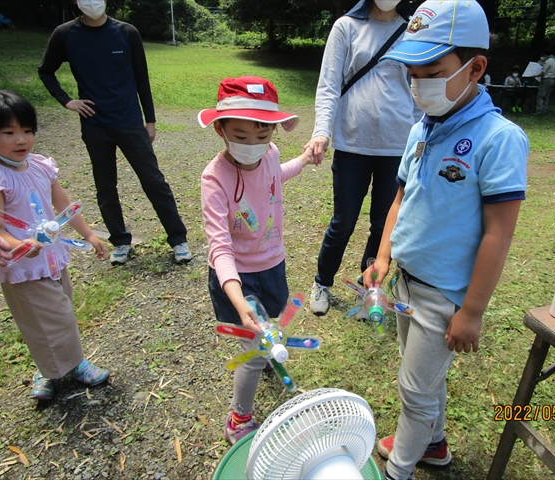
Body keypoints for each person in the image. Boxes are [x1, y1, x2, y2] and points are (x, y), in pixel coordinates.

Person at [362, 2, 529, 479]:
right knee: (421, 377)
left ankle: (400, 469)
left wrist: (471, 311)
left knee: (415, 391)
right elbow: (400, 198)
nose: (419, 85)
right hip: (406, 283)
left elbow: (499, 232)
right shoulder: (421, 128)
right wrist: (382, 255)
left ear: (475, 68)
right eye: (412, 73)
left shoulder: (499, 138)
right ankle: (433, 443)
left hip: (444, 295)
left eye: (432, 72)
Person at [198, 76, 315, 444]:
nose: (253, 146)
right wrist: (237, 298)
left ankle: (263, 353)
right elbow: (220, 248)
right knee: (251, 353)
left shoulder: (271, 154)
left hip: (272, 264)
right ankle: (239, 418)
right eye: (242, 137)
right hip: (238, 278)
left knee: (274, 318)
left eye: (262, 136)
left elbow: (274, 177)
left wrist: (305, 159)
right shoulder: (214, 179)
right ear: (220, 129)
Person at [37, 0, 192, 265]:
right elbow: (46, 71)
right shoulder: (65, 34)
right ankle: (120, 241)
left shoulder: (126, 32)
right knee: (105, 186)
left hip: (130, 121)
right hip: (95, 125)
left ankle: (178, 239)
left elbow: (142, 78)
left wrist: (150, 121)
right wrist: (67, 101)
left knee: (154, 181)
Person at [0, 90, 111, 401]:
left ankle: (57, 366)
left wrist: (88, 234)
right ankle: (64, 367)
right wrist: (20, 245)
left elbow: (63, 205)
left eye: (28, 131)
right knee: (48, 320)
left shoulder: (41, 166)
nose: (21, 140)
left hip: (53, 258)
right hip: (25, 266)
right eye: (9, 132)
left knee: (60, 314)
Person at [305, 0, 421, 315]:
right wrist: (321, 132)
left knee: (383, 226)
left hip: (397, 148)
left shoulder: (413, 31)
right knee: (343, 223)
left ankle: (369, 288)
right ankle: (322, 282)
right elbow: (328, 86)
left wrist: (420, 141)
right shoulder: (346, 27)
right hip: (352, 146)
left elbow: (419, 92)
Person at [533, 48, 555, 116]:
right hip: (553, 79)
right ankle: (544, 110)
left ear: (546, 54)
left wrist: (535, 75)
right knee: (547, 96)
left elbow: (543, 73)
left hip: (546, 80)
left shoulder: (548, 61)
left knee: (540, 96)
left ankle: (538, 111)